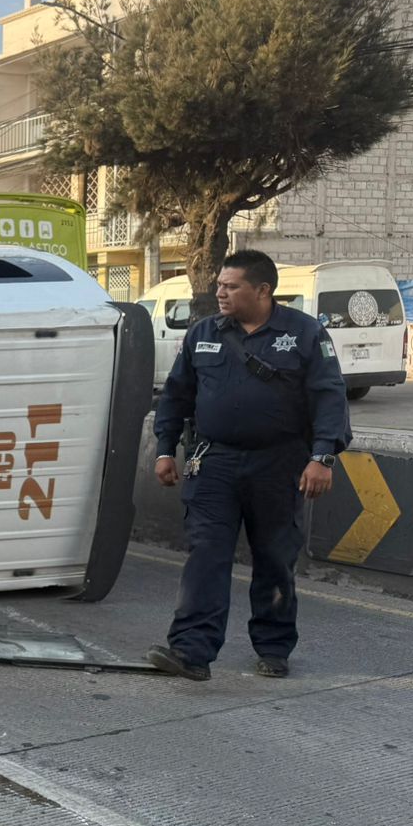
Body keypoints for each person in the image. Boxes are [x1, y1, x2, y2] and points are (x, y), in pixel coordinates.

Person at [149, 249, 349, 682]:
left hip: (279, 464)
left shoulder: (304, 334)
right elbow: (176, 395)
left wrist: (322, 457)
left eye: (231, 286)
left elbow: (329, 397)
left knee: (275, 557)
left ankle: (274, 648)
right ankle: (191, 651)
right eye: (219, 285)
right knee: (206, 553)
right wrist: (165, 449)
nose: (220, 292)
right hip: (214, 462)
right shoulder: (204, 332)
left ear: (262, 290)